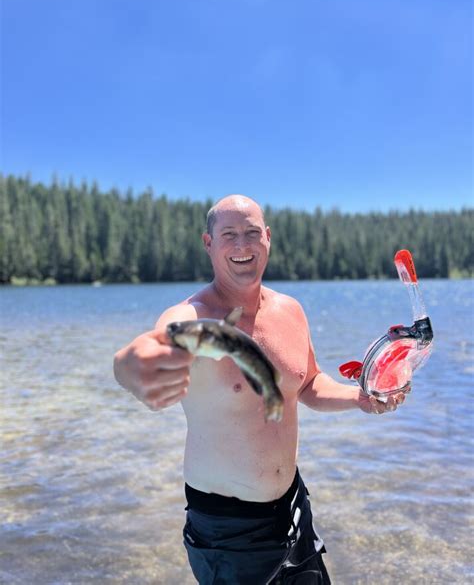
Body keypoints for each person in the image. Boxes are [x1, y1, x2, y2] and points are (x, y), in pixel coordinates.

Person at [113, 194, 408, 584]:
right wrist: (130, 365)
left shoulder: (291, 310)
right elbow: (152, 346)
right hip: (226, 531)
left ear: (268, 237)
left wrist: (361, 398)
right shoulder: (195, 318)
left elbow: (307, 384)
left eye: (252, 233)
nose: (242, 246)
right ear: (208, 244)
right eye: (229, 234)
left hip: (292, 506)